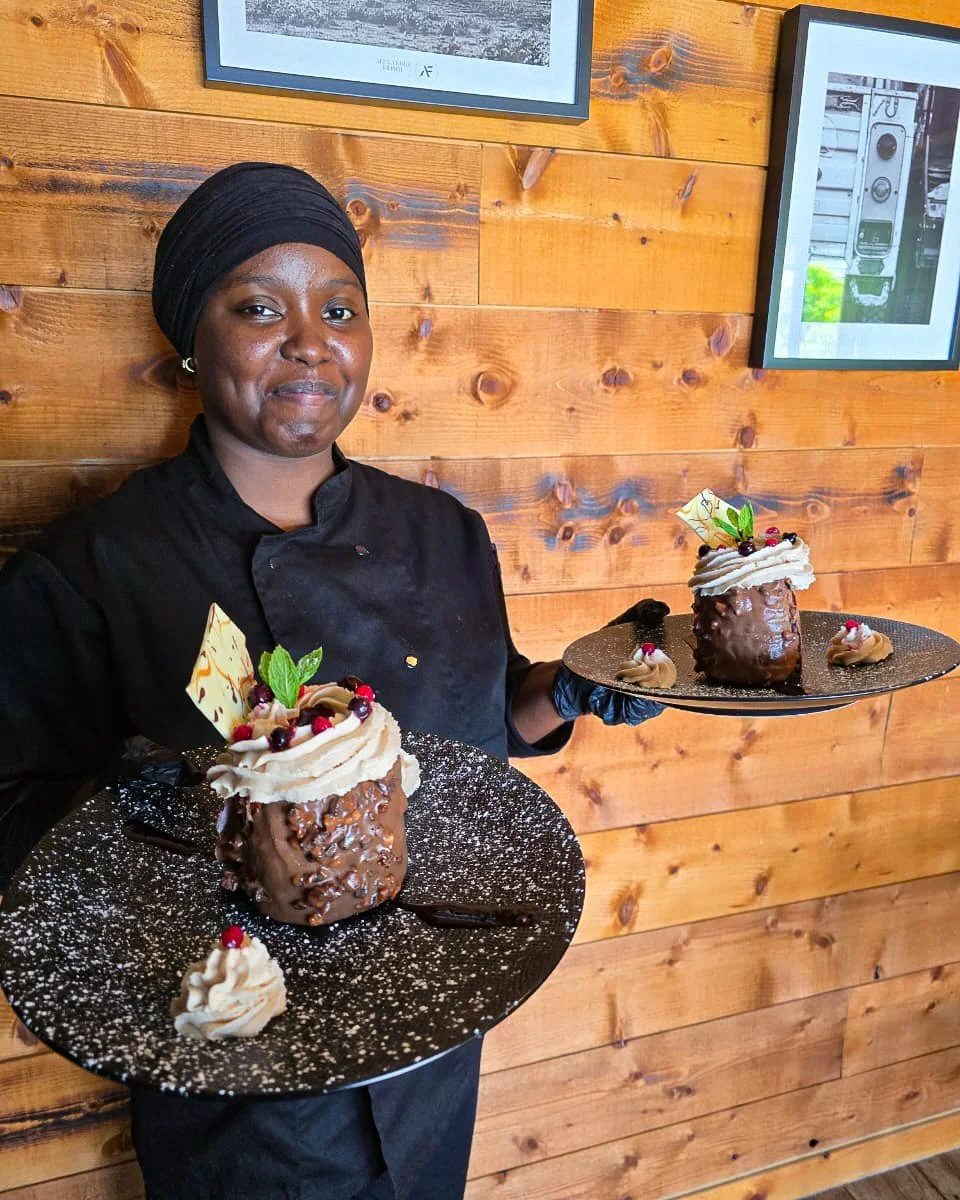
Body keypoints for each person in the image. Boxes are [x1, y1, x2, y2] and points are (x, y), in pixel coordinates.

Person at [0, 162, 665, 1200]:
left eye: (340, 307)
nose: (310, 339)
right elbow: (16, 820)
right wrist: (167, 799)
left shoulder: (442, 536)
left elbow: (477, 734)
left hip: (429, 1045)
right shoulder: (100, 562)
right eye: (259, 305)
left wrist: (572, 688)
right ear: (189, 339)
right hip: (240, 1076)